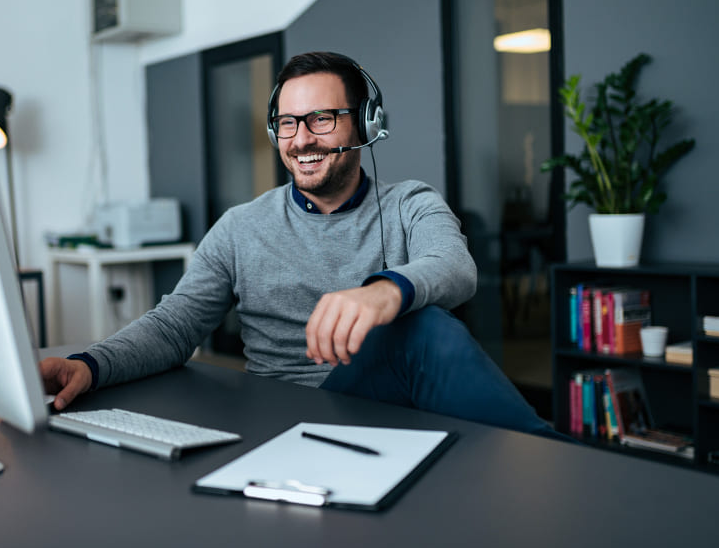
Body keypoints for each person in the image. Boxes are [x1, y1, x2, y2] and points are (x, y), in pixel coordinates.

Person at [41, 51, 559, 439]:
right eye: (287, 123)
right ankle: (558, 459)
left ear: (366, 123)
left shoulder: (410, 203)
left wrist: (384, 292)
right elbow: (175, 325)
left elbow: (454, 266)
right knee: (420, 329)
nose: (301, 139)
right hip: (286, 416)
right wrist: (90, 364)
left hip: (389, 406)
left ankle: (552, 462)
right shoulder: (241, 226)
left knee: (420, 327)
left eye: (321, 119)